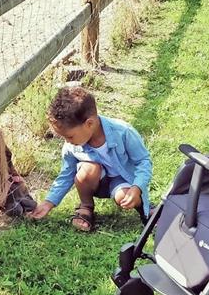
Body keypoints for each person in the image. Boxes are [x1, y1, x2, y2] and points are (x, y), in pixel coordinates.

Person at [29, 86, 152, 231]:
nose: (67, 141)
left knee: (123, 197)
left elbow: (143, 161)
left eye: (69, 136)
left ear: (89, 124)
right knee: (88, 169)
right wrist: (49, 202)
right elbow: (67, 174)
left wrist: (136, 188)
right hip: (95, 182)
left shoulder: (123, 132)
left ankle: (146, 208)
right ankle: (86, 207)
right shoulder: (71, 146)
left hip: (122, 180)